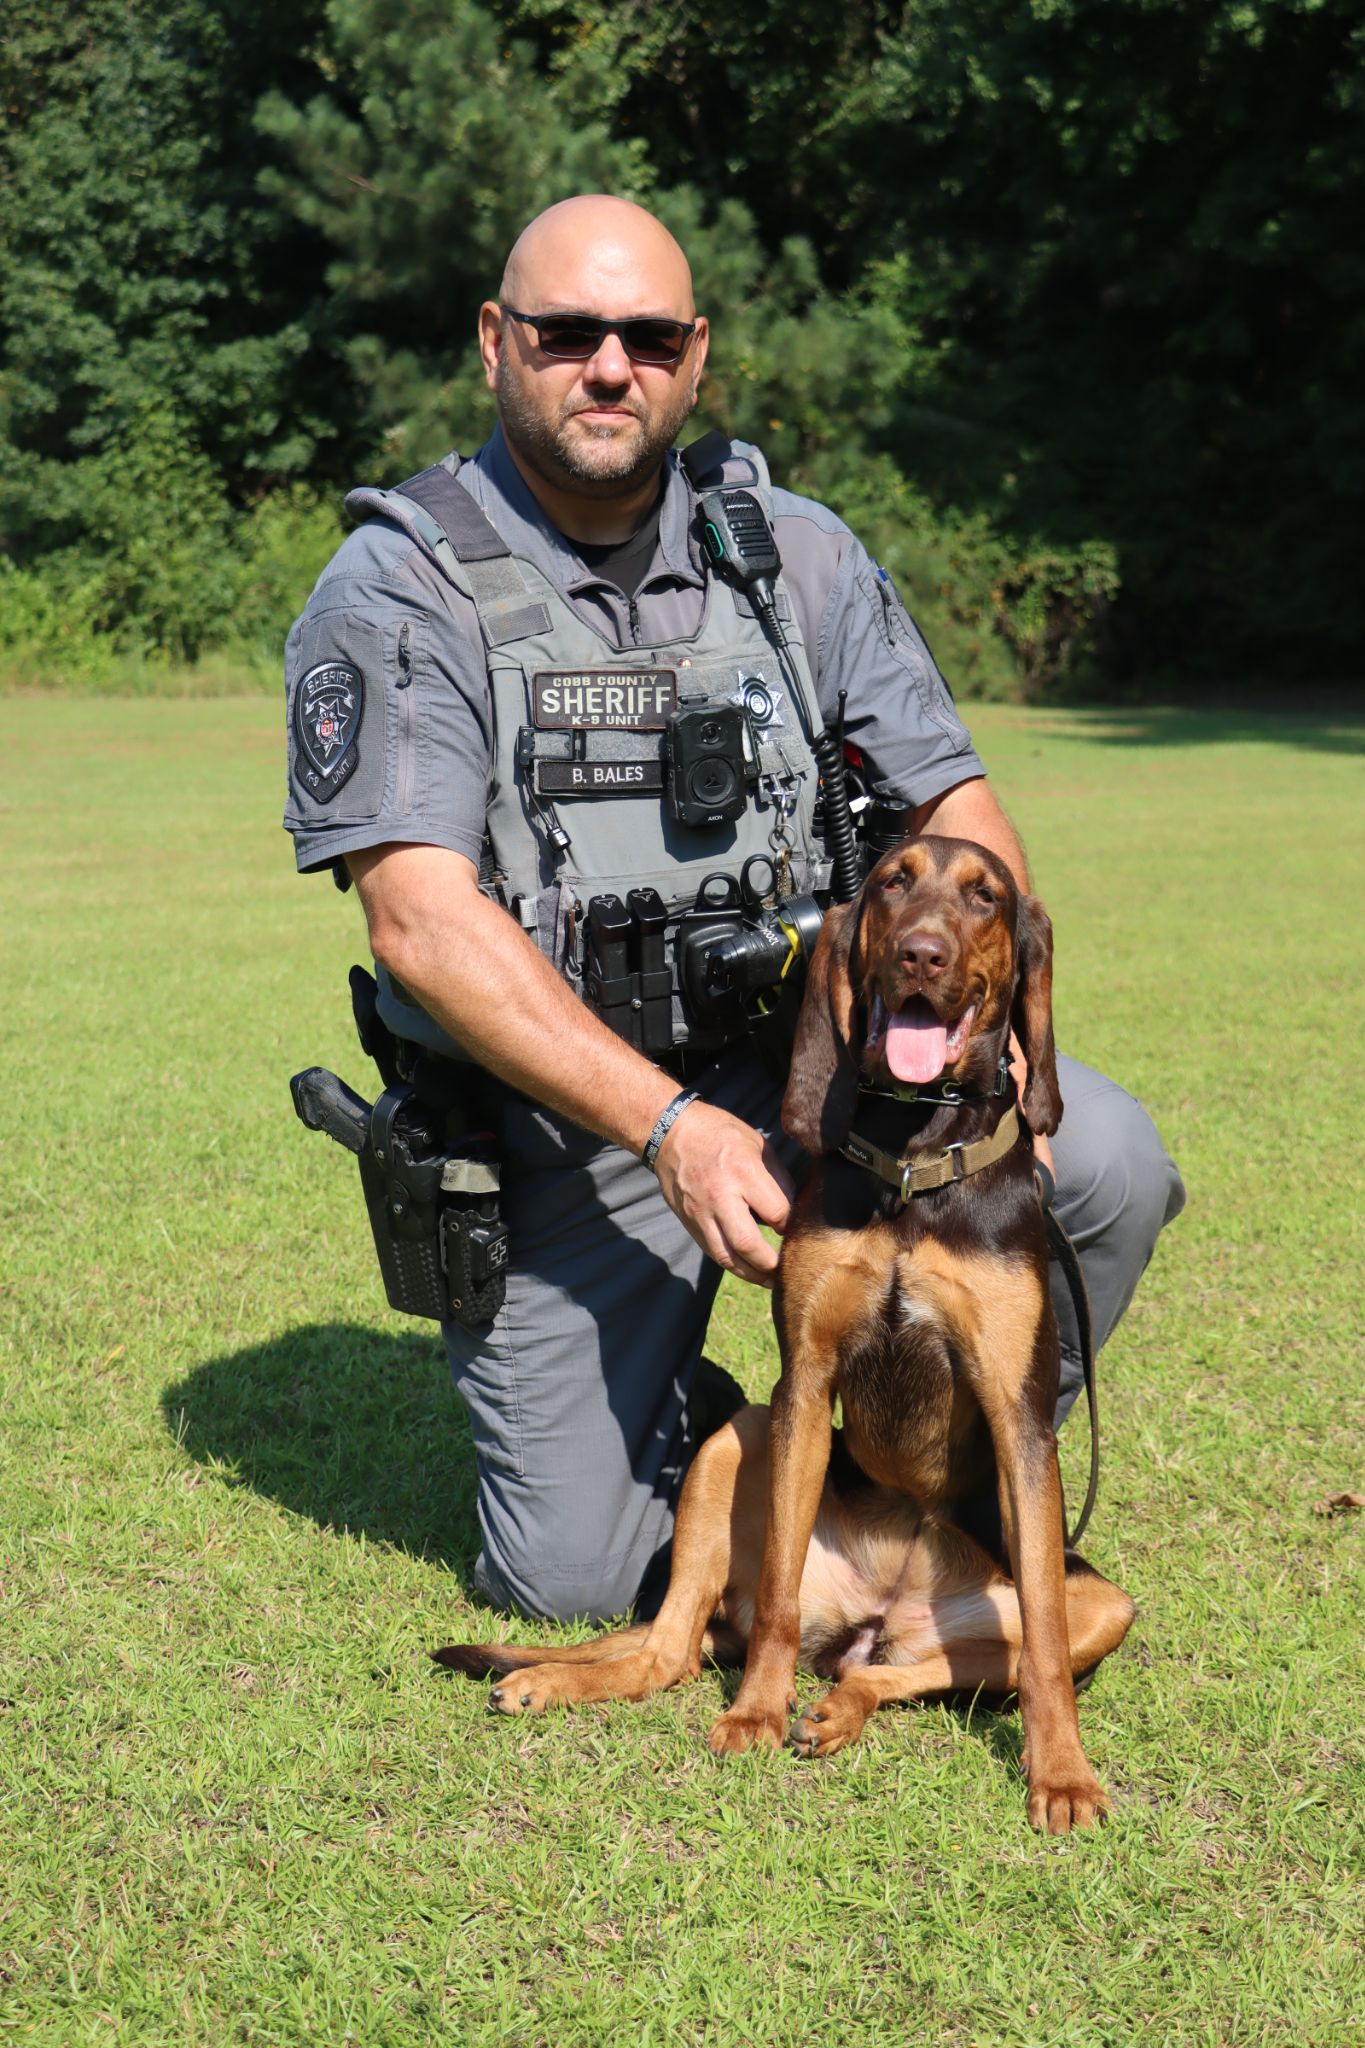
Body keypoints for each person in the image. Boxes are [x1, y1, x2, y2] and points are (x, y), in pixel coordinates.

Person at [284, 195, 1184, 1623]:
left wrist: (975, 1036)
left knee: (1112, 1164)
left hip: (813, 1067)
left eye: (646, 336)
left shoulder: (800, 554)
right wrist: (671, 1128)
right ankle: (745, 1436)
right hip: (571, 1129)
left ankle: (922, 1479)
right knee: (571, 1579)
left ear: (694, 356)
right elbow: (420, 922)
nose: (607, 367)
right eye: (567, 331)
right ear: (494, 343)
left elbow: (956, 813)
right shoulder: (400, 583)